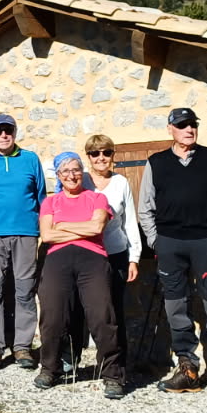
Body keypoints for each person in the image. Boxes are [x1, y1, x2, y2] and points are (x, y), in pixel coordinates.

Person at [138, 107, 207, 397]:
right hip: (170, 244)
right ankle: (188, 370)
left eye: (192, 124)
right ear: (170, 129)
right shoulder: (156, 162)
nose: (189, 129)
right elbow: (145, 207)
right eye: (182, 125)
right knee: (176, 309)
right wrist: (156, 240)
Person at [37, 153, 123, 398]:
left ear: (82, 172)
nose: (71, 175)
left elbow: (97, 227)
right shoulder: (50, 202)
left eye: (75, 170)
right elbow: (48, 236)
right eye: (65, 172)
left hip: (93, 260)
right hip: (57, 260)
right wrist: (79, 229)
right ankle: (49, 368)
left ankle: (112, 375)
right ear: (58, 176)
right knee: (52, 315)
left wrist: (62, 226)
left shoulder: (97, 198)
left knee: (102, 316)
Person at [0, 114, 45, 369]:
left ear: (14, 132)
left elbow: (41, 196)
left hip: (26, 234)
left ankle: (22, 347)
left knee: (24, 291)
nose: (3, 135)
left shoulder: (30, 159)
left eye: (8, 130)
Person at [80, 133, 142, 352]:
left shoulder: (120, 182)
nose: (101, 158)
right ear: (88, 156)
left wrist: (133, 258)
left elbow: (130, 221)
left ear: (113, 155)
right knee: (82, 306)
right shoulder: (82, 181)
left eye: (106, 152)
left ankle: (116, 360)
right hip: (86, 253)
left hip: (115, 252)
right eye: (95, 153)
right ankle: (74, 357)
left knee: (114, 307)